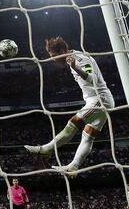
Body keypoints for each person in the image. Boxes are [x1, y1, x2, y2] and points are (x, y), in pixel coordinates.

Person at [25, 37, 115, 174]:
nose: (53, 59)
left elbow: (92, 79)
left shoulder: (79, 58)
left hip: (100, 99)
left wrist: (75, 67)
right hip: (97, 100)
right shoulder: (72, 58)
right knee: (88, 136)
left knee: (74, 122)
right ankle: (74, 166)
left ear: (62, 51)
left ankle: (47, 149)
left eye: (54, 55)